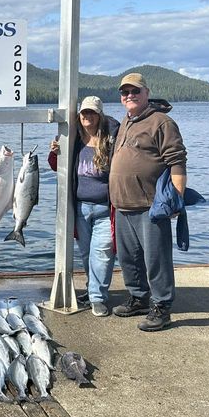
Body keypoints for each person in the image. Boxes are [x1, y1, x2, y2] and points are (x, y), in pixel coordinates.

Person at [109, 73, 187, 332]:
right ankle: (138, 298)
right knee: (128, 259)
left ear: (146, 92)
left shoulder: (161, 122)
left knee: (157, 260)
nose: (129, 95)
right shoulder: (126, 122)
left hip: (151, 206)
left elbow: (176, 160)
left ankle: (162, 308)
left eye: (135, 91)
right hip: (122, 206)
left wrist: (177, 199)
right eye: (125, 92)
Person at [48, 96, 119, 317]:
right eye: (84, 112)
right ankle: (92, 291)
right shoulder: (75, 140)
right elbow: (55, 167)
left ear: (100, 115)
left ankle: (98, 298)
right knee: (88, 254)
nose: (87, 116)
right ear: (79, 116)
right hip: (80, 208)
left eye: (92, 112)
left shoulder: (111, 141)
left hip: (105, 210)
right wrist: (55, 152)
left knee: (103, 254)